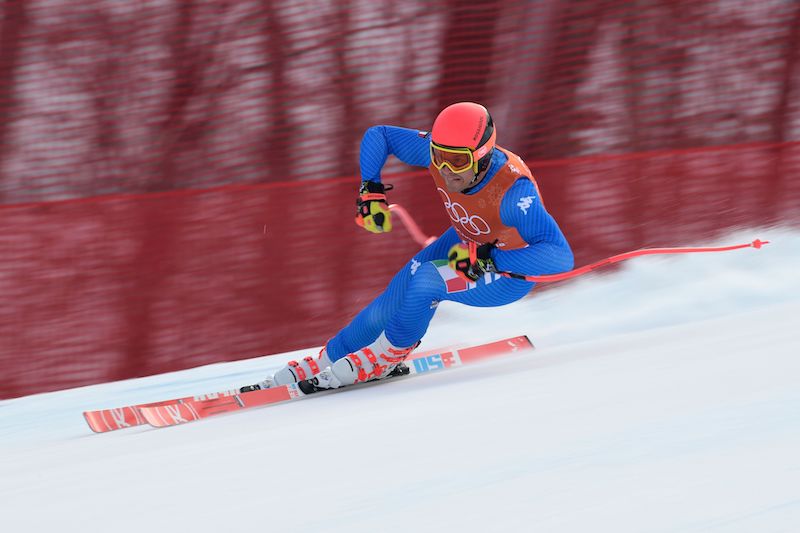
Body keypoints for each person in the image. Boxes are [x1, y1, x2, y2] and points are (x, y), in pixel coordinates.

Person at [249, 102, 574, 392]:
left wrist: (489, 258)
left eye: (457, 162)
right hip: (468, 242)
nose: (445, 170)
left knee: (427, 281)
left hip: (507, 272)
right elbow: (380, 136)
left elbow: (560, 257)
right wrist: (370, 190)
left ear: (482, 156)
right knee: (396, 293)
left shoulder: (514, 194)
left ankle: (387, 357)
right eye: (438, 155)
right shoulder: (439, 153)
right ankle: (330, 356)